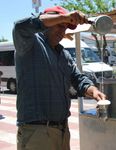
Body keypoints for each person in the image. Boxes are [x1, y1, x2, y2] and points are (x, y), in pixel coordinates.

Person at [12, 6, 106, 150]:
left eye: (65, 27)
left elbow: (78, 79)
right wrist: (65, 17)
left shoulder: (64, 55)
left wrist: (93, 91)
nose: (62, 31)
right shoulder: (30, 44)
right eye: (59, 25)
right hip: (37, 133)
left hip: (62, 130)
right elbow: (20, 26)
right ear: (48, 21)